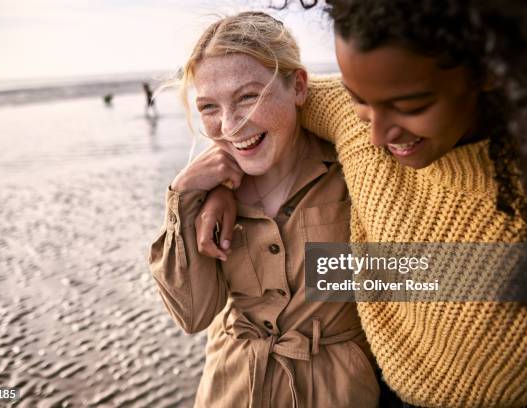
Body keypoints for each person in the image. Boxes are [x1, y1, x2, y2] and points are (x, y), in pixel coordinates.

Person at [194, 1, 527, 406]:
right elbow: (256, 114)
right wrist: (223, 182)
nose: (378, 136)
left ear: (489, 72)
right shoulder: (352, 118)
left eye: (411, 106)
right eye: (358, 100)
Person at [149, 11, 379, 408]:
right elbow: (193, 315)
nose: (230, 124)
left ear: (299, 87)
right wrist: (183, 196)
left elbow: (422, 277)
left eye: (248, 96)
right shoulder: (201, 192)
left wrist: (335, 269)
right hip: (230, 390)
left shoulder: (353, 167)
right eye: (208, 107)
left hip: (337, 392)